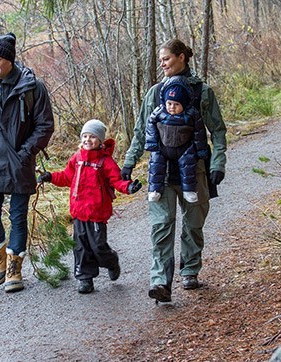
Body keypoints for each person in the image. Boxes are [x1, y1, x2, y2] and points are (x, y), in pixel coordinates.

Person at [121, 39, 227, 303]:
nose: (162, 63)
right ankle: (160, 281)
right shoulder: (155, 93)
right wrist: (128, 163)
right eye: (160, 60)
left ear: (182, 57)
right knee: (161, 225)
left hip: (196, 172)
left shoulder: (203, 92)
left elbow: (218, 130)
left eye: (166, 58)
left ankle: (190, 270)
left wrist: (218, 164)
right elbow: (139, 132)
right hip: (161, 173)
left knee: (193, 224)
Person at [0, 32, 55, 293]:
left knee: (18, 217)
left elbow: (45, 125)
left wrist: (26, 152)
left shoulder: (32, 87)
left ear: (8, 60)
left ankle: (15, 266)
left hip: (20, 162)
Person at [37, 119, 142, 294]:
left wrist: (129, 187)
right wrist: (50, 177)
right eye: (85, 136)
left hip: (97, 212)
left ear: (100, 141)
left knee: (98, 247)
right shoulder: (77, 159)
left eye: (92, 137)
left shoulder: (105, 162)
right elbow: (66, 177)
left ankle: (111, 261)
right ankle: (85, 279)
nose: (87, 140)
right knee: (81, 246)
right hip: (78, 211)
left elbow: (117, 180)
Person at [145, 75, 209, 204]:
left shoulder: (191, 114)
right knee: (156, 164)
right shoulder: (159, 112)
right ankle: (154, 190)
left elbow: (199, 132)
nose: (172, 107)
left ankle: (189, 190)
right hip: (163, 147)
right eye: (169, 103)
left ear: (184, 104)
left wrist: (201, 150)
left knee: (188, 165)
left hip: (184, 147)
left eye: (176, 104)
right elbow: (150, 125)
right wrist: (151, 142)